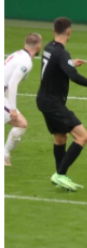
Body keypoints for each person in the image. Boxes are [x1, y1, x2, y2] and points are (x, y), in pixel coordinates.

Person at [37, 17, 87, 191]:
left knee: (61, 137)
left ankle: (61, 176)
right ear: (69, 32)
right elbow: (73, 76)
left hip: (43, 100)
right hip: (54, 103)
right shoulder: (62, 53)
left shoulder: (49, 47)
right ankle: (60, 174)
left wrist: (70, 63)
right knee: (83, 137)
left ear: (54, 31)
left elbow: (56, 66)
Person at [4, 34, 43, 167]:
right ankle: (4, 155)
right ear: (38, 46)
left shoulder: (17, 54)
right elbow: (12, 84)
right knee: (21, 124)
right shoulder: (26, 61)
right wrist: (12, 108)